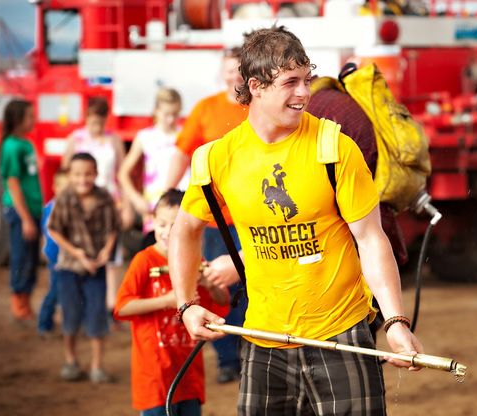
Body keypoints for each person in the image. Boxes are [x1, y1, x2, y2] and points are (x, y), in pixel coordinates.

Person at [169, 26, 424, 415]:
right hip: (262, 337)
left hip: (341, 332)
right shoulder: (217, 158)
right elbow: (184, 230)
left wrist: (395, 321)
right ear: (255, 86)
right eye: (291, 82)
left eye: (306, 79)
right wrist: (186, 304)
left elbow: (372, 239)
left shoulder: (334, 147)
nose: (305, 93)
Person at [165, 47, 249, 384]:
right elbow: (182, 153)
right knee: (218, 288)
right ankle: (227, 359)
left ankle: (249, 348)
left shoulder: (257, 109)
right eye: (229, 70)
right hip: (212, 220)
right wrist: (165, 195)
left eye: (239, 70)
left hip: (249, 216)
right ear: (222, 73)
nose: (234, 76)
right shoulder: (205, 109)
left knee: (251, 285)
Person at [114, 189, 229, 416]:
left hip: (189, 371)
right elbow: (122, 307)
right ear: (152, 222)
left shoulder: (198, 260)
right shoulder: (144, 261)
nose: (168, 232)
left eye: (175, 226)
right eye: (163, 224)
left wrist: (211, 285)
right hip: (154, 373)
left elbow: (222, 303)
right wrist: (166, 301)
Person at [48, 152, 120, 383]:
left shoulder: (104, 198)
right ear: (70, 175)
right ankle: (71, 361)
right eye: (77, 174)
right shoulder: (64, 198)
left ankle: (97, 366)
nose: (83, 179)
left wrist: (107, 250)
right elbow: (54, 229)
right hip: (69, 267)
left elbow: (113, 228)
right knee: (70, 315)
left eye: (88, 174)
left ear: (96, 174)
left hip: (95, 269)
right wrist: (77, 253)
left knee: (97, 315)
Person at [62, 97, 130, 322]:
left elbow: (122, 174)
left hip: (110, 203)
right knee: (83, 253)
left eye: (100, 122)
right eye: (93, 122)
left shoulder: (114, 140)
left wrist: (126, 207)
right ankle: (84, 308)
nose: (96, 127)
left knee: (111, 256)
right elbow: (65, 173)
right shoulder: (76, 139)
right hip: (82, 205)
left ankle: (111, 307)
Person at [118, 87, 189, 246]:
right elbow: (123, 173)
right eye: (167, 114)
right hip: (154, 209)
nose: (171, 119)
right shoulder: (145, 137)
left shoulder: (185, 134)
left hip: (183, 205)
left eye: (175, 114)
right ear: (156, 111)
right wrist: (137, 200)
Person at [0, 99, 43, 323]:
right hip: (21, 213)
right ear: (17, 119)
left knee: (32, 257)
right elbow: (13, 183)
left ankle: (26, 300)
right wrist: (25, 218)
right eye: (29, 116)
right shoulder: (11, 146)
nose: (33, 120)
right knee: (20, 256)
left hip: (33, 210)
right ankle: (19, 301)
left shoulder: (26, 144)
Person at [37, 168, 69, 337]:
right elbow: (47, 233)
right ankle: (44, 324)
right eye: (61, 186)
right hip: (56, 256)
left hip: (68, 257)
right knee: (55, 291)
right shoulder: (51, 208)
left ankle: (70, 324)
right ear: (55, 187)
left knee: (69, 290)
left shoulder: (71, 208)